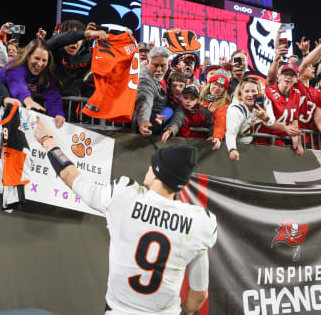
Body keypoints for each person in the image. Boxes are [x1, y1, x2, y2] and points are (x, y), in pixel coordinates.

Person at [31, 121, 217, 315]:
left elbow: (70, 176)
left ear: (157, 173)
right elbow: (199, 295)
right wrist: (185, 311)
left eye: (152, 165)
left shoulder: (123, 196)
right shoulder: (199, 223)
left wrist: (47, 140)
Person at [0, 39, 65, 128]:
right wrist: (28, 100)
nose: (40, 64)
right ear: (28, 56)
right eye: (37, 58)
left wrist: (57, 114)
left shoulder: (45, 73)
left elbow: (52, 95)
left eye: (44, 60)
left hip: (18, 117)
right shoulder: (15, 65)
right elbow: (17, 83)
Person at [46, 20, 108, 98]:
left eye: (78, 38)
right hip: (52, 106)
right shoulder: (53, 53)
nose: (74, 41)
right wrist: (84, 34)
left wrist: (127, 35)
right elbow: (51, 42)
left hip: (78, 107)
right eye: (71, 37)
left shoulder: (89, 55)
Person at [225, 77, 276, 161]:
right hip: (228, 144)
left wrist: (265, 118)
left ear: (259, 92)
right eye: (246, 91)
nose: (250, 95)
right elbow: (231, 133)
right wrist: (232, 149)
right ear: (241, 93)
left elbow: (271, 121)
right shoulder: (236, 108)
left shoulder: (264, 101)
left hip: (248, 144)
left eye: (253, 91)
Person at [258, 62, 303, 155]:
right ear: (279, 76)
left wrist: (296, 141)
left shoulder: (297, 94)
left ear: (296, 79)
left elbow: (294, 120)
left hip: (279, 140)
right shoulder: (268, 92)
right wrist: (285, 128)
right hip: (262, 139)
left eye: (292, 75)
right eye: (285, 74)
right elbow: (265, 120)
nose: (288, 77)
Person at [136, 46, 172, 136]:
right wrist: (143, 121)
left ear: (168, 65)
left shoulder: (168, 75)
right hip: (147, 128)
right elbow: (145, 99)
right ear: (148, 63)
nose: (159, 69)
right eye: (155, 65)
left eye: (163, 65)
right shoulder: (145, 78)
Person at [199, 70, 233, 150]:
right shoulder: (199, 96)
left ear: (224, 90)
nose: (217, 88)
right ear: (210, 84)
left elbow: (221, 120)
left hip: (208, 138)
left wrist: (217, 136)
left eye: (221, 86)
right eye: (215, 84)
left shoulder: (224, 105)